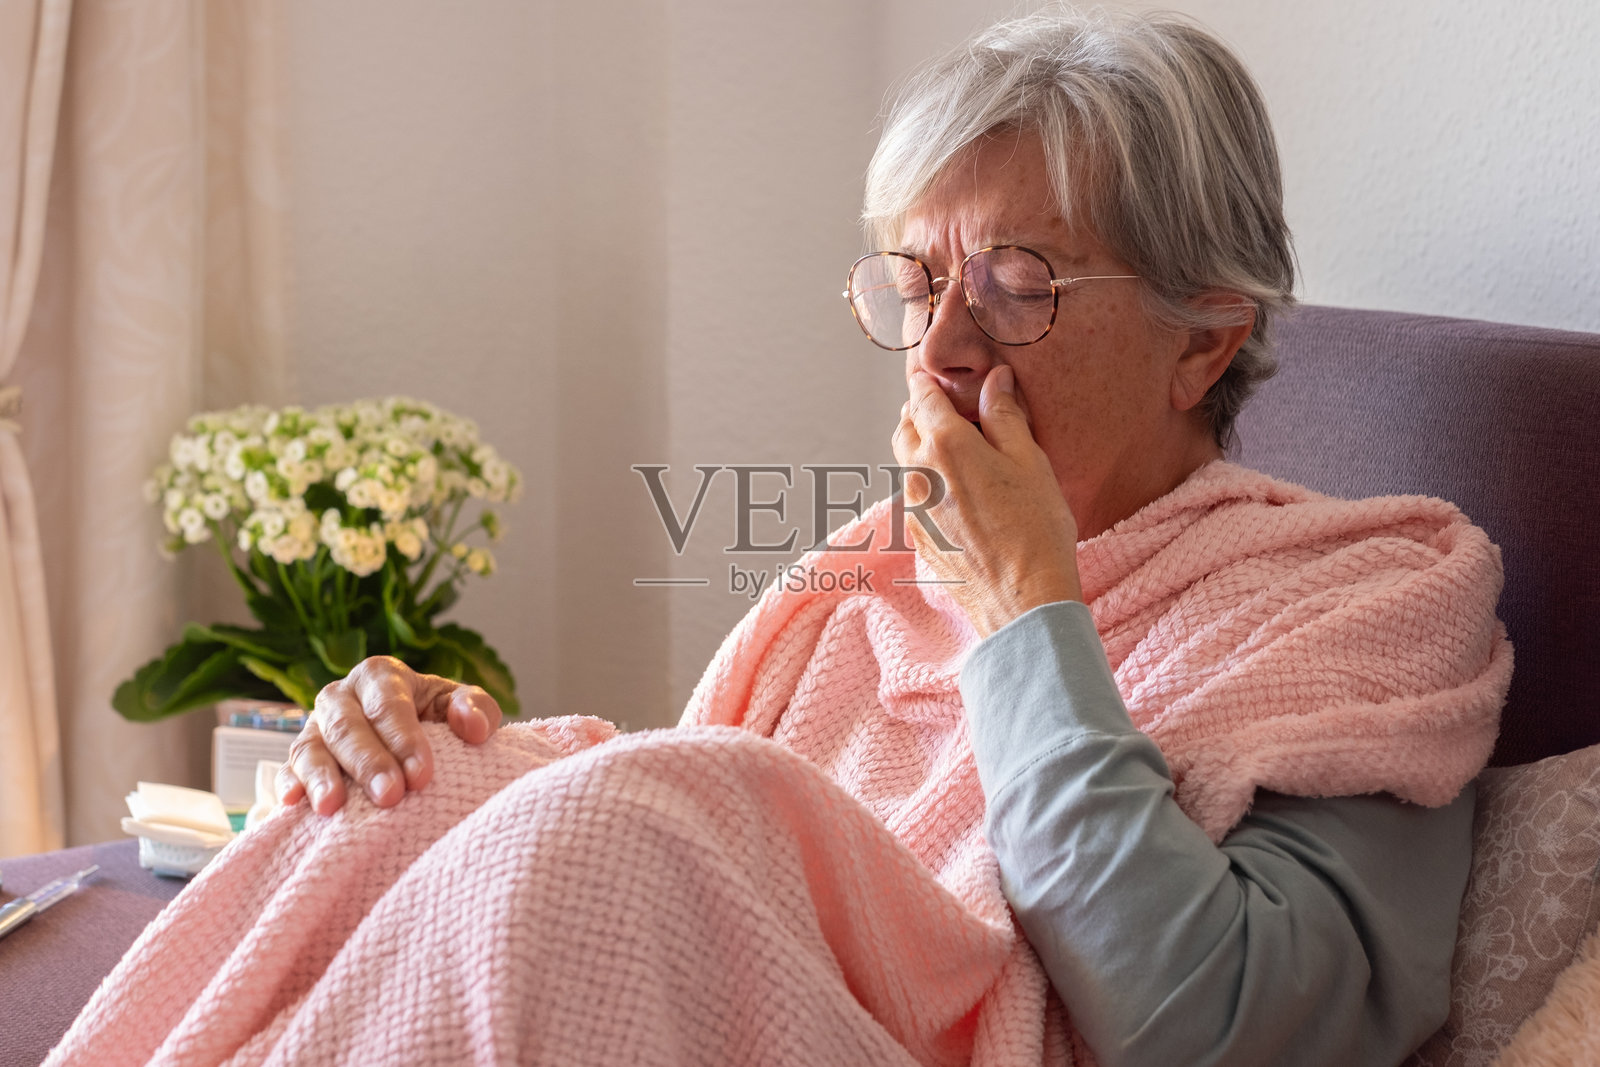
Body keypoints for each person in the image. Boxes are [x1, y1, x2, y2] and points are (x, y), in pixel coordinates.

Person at [60, 8, 1507, 1067]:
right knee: (412, 790)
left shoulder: (1360, 608)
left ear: (1206, 346)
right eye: (916, 282)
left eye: (1021, 284)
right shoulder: (866, 579)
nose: (939, 349)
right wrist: (464, 747)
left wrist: (1023, 611)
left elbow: (1206, 1027)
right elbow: (746, 860)